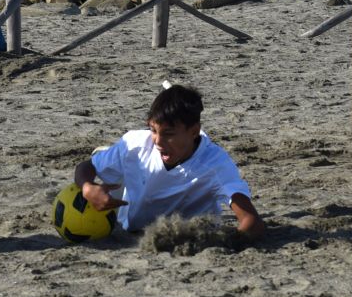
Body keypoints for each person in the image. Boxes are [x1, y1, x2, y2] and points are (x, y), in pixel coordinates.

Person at [73, 83, 265, 239]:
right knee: (108, 160)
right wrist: (87, 188)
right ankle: (108, 157)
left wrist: (225, 245)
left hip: (182, 236)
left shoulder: (216, 165)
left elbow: (251, 221)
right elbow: (85, 167)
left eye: (169, 134)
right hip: (128, 226)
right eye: (153, 130)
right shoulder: (136, 144)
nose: (158, 141)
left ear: (194, 131)